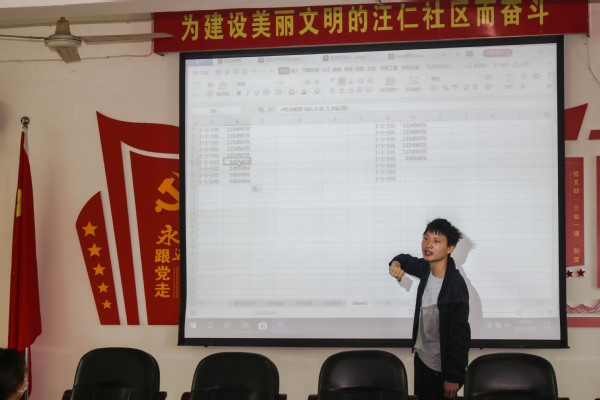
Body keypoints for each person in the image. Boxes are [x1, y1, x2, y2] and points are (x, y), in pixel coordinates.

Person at [389, 218, 470, 400]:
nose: (428, 245)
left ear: (450, 248)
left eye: (436, 241)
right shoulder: (426, 269)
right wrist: (395, 264)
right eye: (426, 238)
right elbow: (404, 259)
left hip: (440, 370)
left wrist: (453, 376)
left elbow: (460, 335)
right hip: (422, 360)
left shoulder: (455, 285)